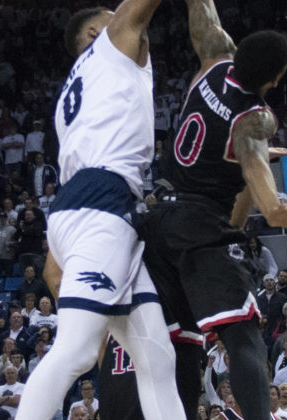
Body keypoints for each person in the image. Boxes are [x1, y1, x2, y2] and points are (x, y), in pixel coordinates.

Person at [137, 2, 287, 418]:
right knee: (243, 334)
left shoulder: (215, 59)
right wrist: (281, 209)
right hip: (199, 225)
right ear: (276, 79)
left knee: (182, 341)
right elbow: (267, 202)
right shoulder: (256, 120)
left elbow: (202, 8)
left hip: (158, 218)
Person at [16, 2, 188, 419]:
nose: (126, 23)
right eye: (114, 19)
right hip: (103, 203)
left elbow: (53, 274)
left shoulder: (70, 98)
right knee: (74, 351)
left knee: (156, 356)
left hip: (85, 205)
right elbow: (139, 12)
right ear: (96, 35)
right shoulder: (108, 49)